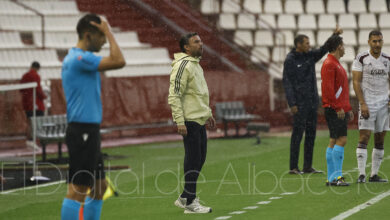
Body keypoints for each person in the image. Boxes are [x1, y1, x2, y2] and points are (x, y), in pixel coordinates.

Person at [60, 14, 125, 220]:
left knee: (99, 187)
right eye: (101, 36)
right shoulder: (80, 58)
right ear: (88, 35)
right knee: (79, 188)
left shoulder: (77, 58)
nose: (104, 41)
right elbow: (119, 61)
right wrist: (109, 31)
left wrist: (105, 31)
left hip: (87, 130)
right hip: (83, 131)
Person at [283, 26, 343, 174]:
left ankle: (307, 166)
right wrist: (292, 103)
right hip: (299, 103)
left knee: (311, 134)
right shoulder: (290, 60)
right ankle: (293, 167)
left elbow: (324, 49)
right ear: (298, 45)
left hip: (311, 102)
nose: (309, 46)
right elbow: (287, 82)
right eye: (306, 43)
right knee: (297, 134)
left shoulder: (309, 55)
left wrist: (334, 34)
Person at [168, 32, 216, 214]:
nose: (201, 44)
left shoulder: (196, 65)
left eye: (201, 41)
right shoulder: (183, 65)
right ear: (186, 47)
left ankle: (185, 197)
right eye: (196, 42)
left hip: (199, 119)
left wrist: (208, 113)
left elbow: (199, 93)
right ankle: (190, 202)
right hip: (189, 121)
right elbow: (174, 95)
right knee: (193, 158)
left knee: (199, 158)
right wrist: (179, 121)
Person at [352, 30, 389, 183]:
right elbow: (356, 82)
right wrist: (362, 103)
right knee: (364, 137)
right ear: (369, 42)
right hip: (368, 103)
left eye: (380, 41)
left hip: (384, 104)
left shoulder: (387, 58)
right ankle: (361, 174)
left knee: (380, 138)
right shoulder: (361, 58)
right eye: (374, 41)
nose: (377, 44)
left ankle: (374, 174)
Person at [321, 35, 353, 186]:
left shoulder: (334, 63)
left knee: (334, 140)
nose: (345, 47)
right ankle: (337, 178)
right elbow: (328, 89)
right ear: (339, 46)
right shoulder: (330, 63)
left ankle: (331, 178)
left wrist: (347, 108)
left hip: (337, 108)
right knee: (341, 140)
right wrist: (338, 107)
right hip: (334, 109)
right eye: (343, 44)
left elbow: (340, 89)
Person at [20, 61, 47, 140]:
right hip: (36, 104)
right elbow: (38, 90)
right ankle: (37, 138)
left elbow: (21, 89)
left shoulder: (25, 76)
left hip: (27, 104)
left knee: (29, 121)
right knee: (38, 122)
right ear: (37, 68)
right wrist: (44, 96)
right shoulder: (36, 76)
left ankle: (29, 138)